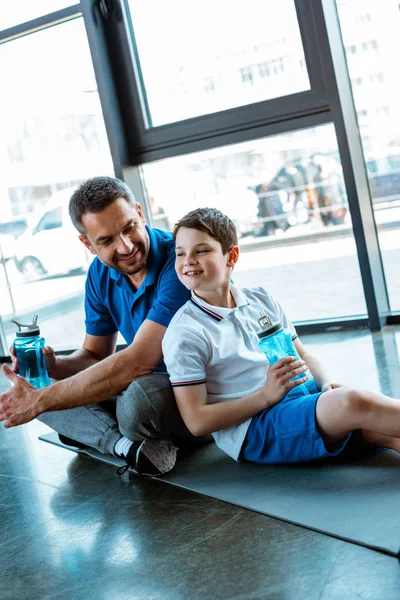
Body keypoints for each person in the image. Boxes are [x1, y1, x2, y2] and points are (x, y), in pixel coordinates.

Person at [162, 207, 400, 465]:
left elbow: (303, 353)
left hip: (305, 399)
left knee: (384, 432)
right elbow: (197, 421)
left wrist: (327, 383)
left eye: (201, 250)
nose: (188, 260)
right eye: (180, 253)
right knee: (354, 401)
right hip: (255, 428)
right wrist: (265, 396)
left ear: (231, 256)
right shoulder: (184, 333)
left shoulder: (260, 298)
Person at [0, 176, 203, 476]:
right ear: (88, 244)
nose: (125, 246)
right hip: (137, 383)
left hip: (197, 388)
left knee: (136, 403)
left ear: (139, 212)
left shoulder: (180, 262)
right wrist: (52, 366)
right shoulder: (99, 274)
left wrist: (41, 402)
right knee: (37, 385)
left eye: (129, 227)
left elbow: (138, 363)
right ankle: (126, 446)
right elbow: (95, 356)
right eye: (106, 241)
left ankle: (99, 429)